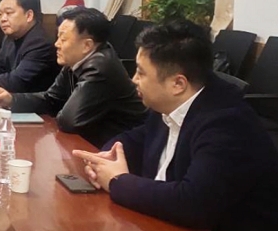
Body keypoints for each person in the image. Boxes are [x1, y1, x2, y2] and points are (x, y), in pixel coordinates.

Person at [73, 20, 277, 231]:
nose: (134, 80)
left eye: (141, 73)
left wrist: (116, 181)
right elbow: (135, 138)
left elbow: (193, 204)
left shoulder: (228, 124)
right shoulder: (169, 104)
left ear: (178, 84)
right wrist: (105, 160)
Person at [0, 7, 146, 147]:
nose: (56, 44)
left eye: (63, 39)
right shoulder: (75, 61)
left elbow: (69, 121)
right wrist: (12, 99)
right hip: (93, 142)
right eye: (58, 37)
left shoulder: (100, 67)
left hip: (122, 147)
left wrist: (59, 109)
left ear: (87, 45)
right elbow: (51, 99)